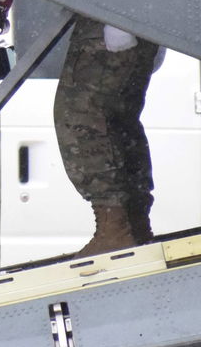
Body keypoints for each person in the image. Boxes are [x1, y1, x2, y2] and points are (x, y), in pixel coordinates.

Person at [53, 15, 161, 255]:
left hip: (110, 17)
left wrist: (117, 17)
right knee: (117, 118)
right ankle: (133, 224)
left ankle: (116, 229)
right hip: (126, 12)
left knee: (81, 115)